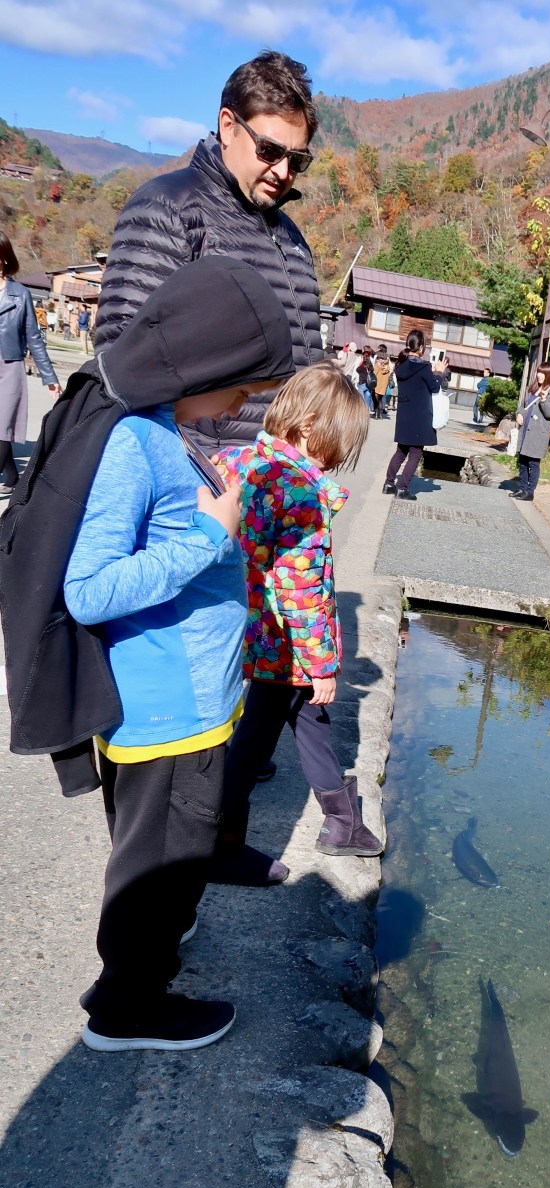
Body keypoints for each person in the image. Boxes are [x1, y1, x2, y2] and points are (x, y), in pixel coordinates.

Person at [2, 257, 295, 1051]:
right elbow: (89, 588)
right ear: (204, 359)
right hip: (167, 713)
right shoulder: (134, 438)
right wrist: (211, 535)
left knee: (162, 863)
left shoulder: (161, 427)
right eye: (243, 382)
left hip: (185, 704)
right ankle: (128, 1009)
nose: (245, 402)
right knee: (157, 871)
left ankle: (132, 970)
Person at [95, 50, 321, 447]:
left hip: (278, 481)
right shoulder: (171, 207)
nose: (283, 171)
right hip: (201, 482)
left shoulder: (294, 241)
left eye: (297, 160)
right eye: (269, 150)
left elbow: (309, 363)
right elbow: (123, 363)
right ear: (229, 126)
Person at [209, 364, 381, 885]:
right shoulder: (302, 497)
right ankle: (218, 841)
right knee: (256, 739)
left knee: (306, 721)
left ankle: (340, 821)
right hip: (284, 642)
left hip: (246, 628)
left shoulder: (236, 461)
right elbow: (303, 590)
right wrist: (323, 665)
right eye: (336, 446)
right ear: (309, 427)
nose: (336, 461)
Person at [0, 233, 60, 502]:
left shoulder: (20, 294)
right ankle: (12, 478)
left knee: (2, 427)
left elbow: (34, 338)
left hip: (10, 366)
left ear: (3, 259)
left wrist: (49, 377)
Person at [382, 331, 449, 500]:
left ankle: (389, 484)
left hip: (404, 414)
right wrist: (439, 373)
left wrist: (432, 374)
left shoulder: (400, 365)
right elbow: (434, 388)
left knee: (401, 451)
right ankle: (402, 488)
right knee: (416, 452)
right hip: (419, 416)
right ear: (420, 347)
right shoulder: (423, 367)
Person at [512, 362, 550, 502]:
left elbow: (549, 413)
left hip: (537, 434)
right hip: (525, 430)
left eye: (542, 373)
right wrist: (519, 414)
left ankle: (529, 491)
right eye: (538, 372)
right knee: (522, 461)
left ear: (549, 375)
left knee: (533, 463)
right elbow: (523, 406)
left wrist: (544, 399)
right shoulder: (533, 388)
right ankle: (521, 488)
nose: (539, 375)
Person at [356, 344, 376, 415]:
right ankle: (366, 412)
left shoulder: (360, 360)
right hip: (369, 382)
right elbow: (372, 370)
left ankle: (361, 412)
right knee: (367, 395)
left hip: (362, 381)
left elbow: (357, 370)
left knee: (361, 398)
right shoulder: (372, 360)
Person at [373, 344, 391, 419]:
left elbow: (375, 372)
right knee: (380, 399)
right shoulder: (387, 365)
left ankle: (376, 412)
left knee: (376, 399)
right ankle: (380, 414)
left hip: (377, 383)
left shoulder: (378, 364)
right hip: (383, 384)